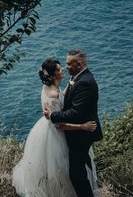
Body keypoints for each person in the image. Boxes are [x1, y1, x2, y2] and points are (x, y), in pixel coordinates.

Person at [13, 59, 97, 197]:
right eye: (58, 69)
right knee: (62, 169)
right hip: (56, 135)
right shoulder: (53, 95)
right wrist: (82, 126)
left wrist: (69, 86)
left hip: (46, 127)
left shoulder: (51, 88)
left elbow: (59, 101)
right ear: (52, 76)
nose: (62, 69)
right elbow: (59, 125)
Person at [44, 49, 102, 197]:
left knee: (77, 175)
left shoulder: (85, 83)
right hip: (78, 133)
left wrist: (53, 115)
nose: (65, 66)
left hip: (81, 136)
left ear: (79, 64)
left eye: (69, 64)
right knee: (82, 170)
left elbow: (75, 113)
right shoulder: (79, 78)